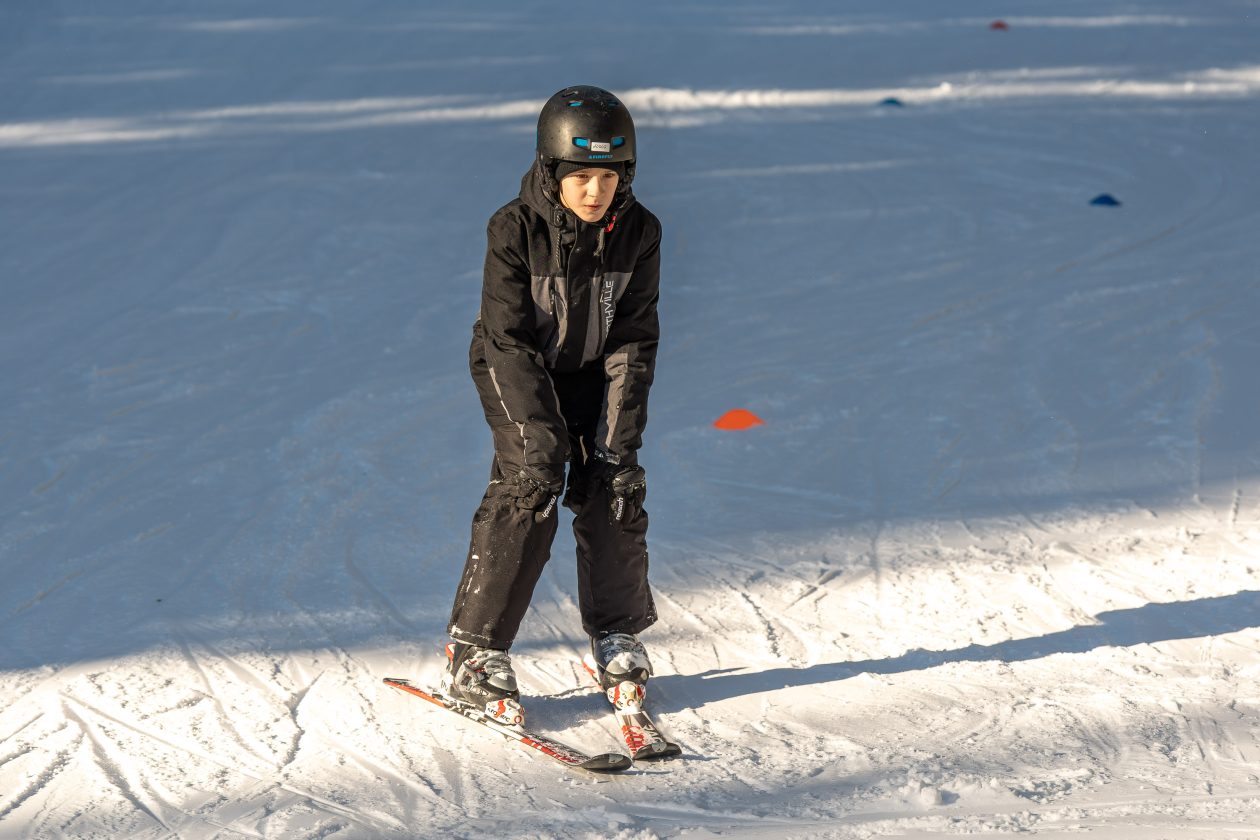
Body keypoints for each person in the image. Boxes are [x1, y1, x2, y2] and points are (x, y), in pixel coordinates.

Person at [442, 86, 662, 725]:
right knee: (534, 471)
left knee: (614, 477)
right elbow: (506, 336)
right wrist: (543, 428)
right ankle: (474, 650)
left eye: (609, 176)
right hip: (516, 365)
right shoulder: (512, 229)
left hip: (594, 369)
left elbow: (633, 339)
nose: (595, 191)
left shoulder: (640, 233)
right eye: (581, 176)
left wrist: (619, 435)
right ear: (551, 173)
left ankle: (617, 633)